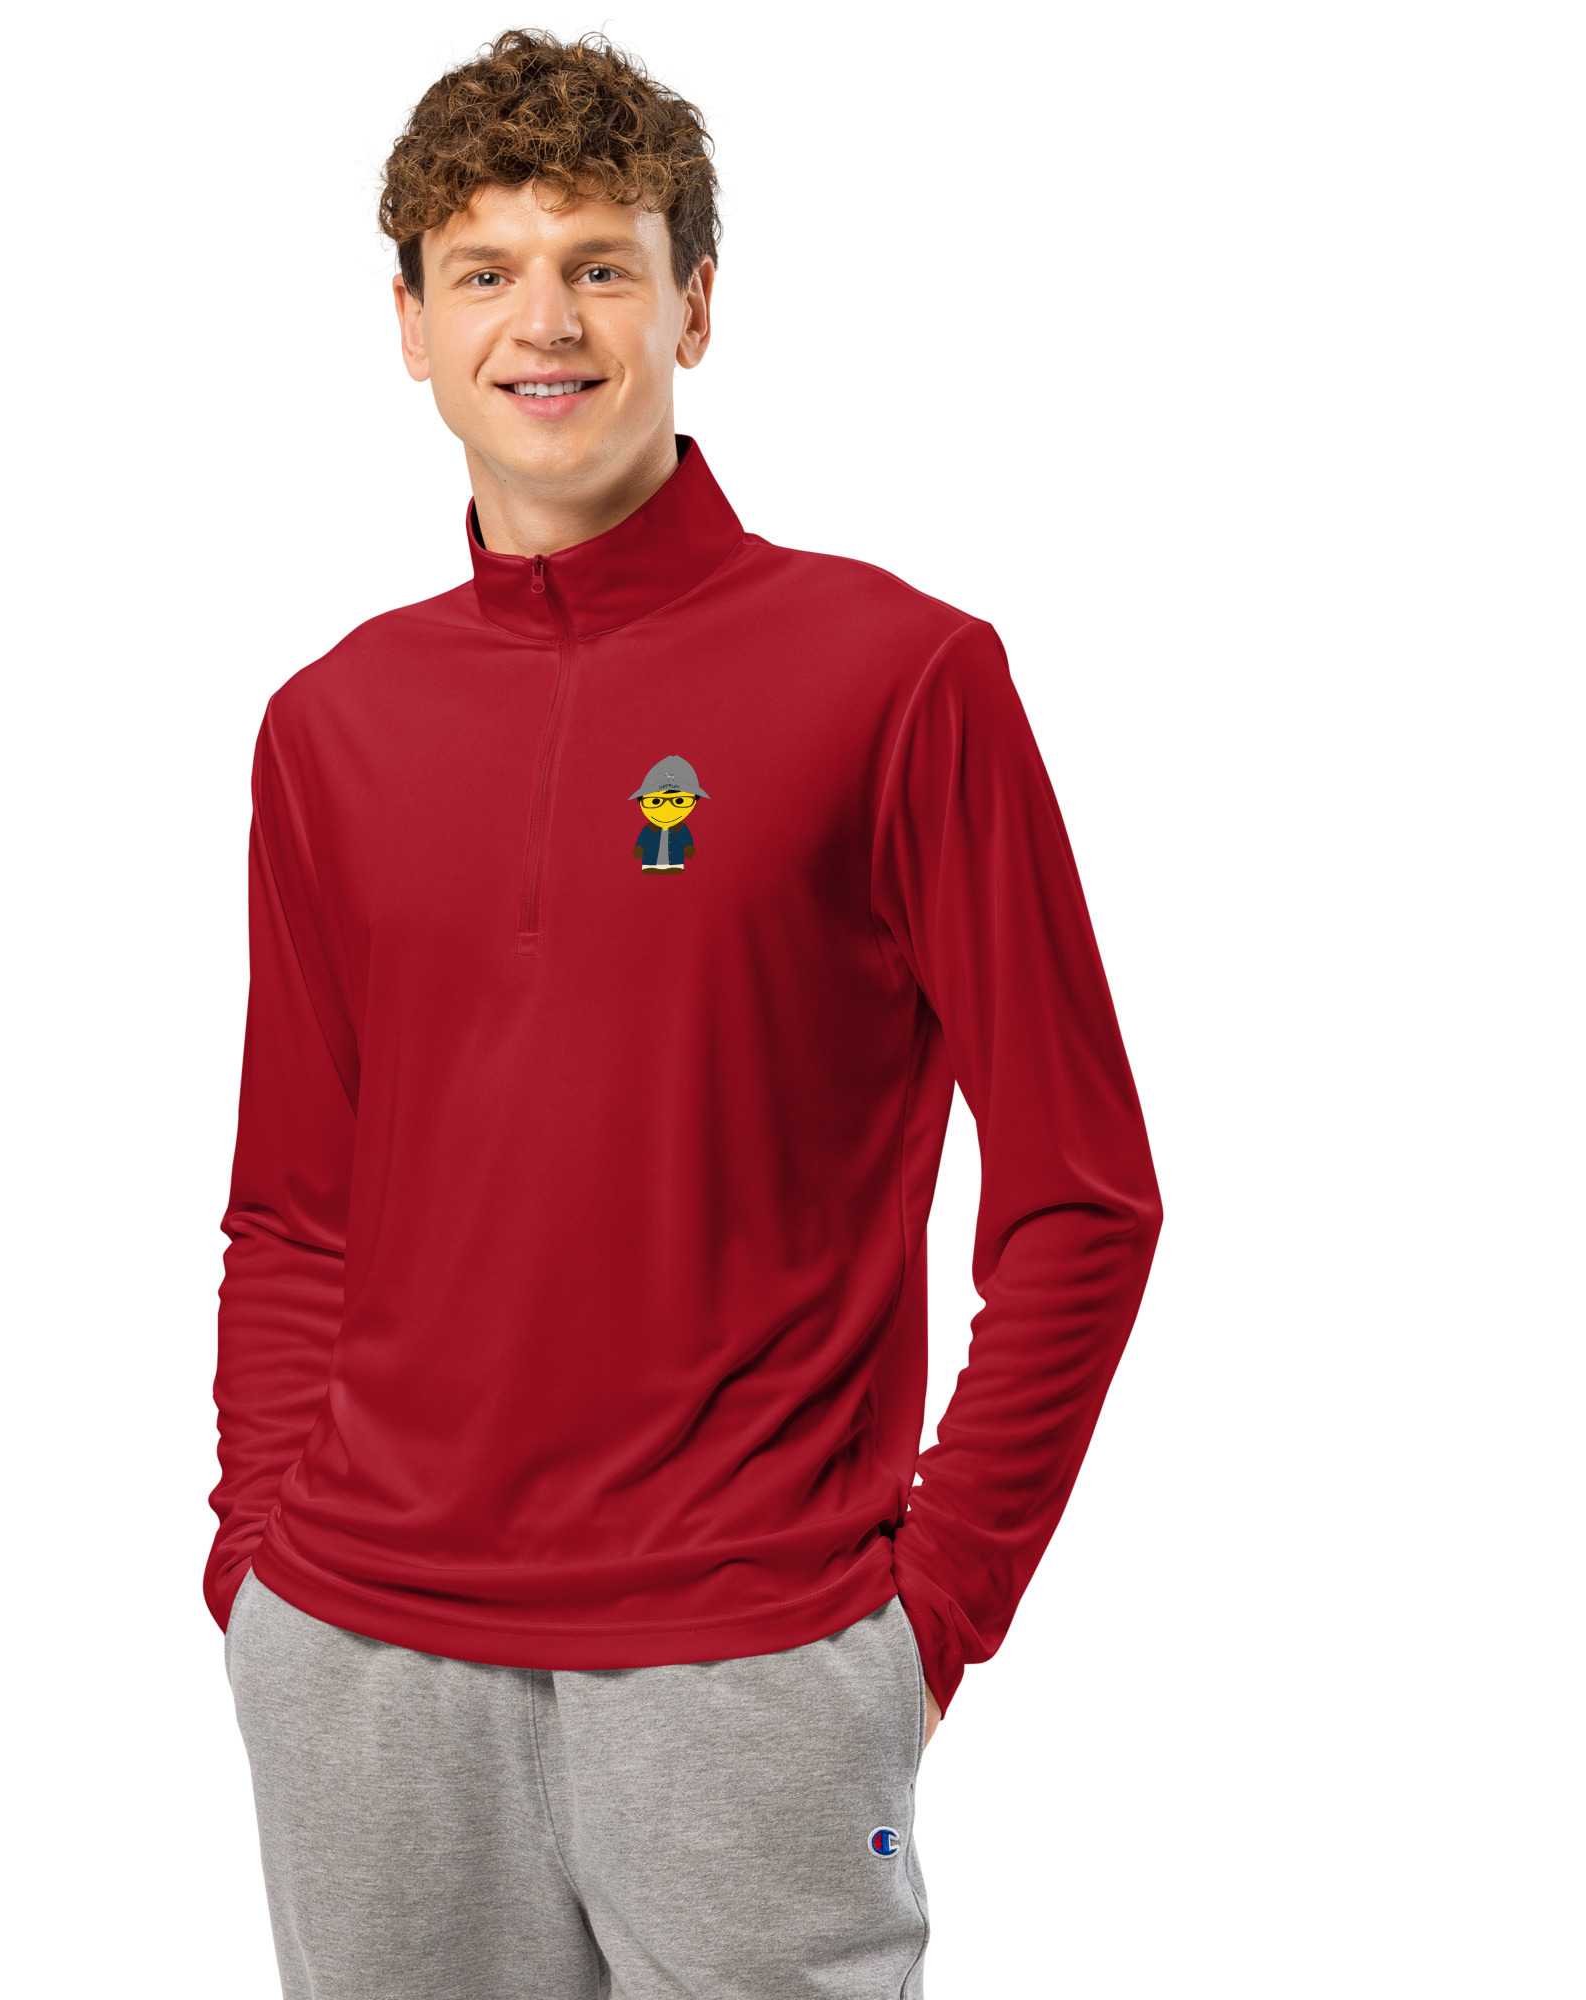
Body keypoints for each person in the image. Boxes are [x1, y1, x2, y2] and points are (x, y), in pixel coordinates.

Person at [207, 28, 1162, 1999]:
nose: (544, 322)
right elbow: (296, 1208)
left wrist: (925, 1616)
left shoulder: (899, 678)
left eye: (601, 265)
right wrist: (260, 1567)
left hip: (751, 1664)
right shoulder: (330, 726)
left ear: (695, 305)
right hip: (364, 1668)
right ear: (409, 325)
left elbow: (1083, 1195)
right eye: (485, 269)